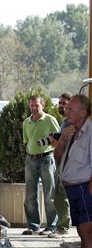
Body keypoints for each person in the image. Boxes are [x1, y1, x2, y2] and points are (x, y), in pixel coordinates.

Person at [54, 95, 92, 248]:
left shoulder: (90, 131)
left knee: (87, 232)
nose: (66, 112)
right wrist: (62, 141)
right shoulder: (71, 130)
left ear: (83, 113)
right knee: (82, 233)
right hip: (72, 188)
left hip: (84, 187)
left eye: (71, 109)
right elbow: (59, 158)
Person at [22, 95, 59, 235]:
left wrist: (47, 142)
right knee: (30, 195)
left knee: (50, 194)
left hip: (46, 159)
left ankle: (51, 226)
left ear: (42, 105)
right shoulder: (26, 122)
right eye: (31, 106)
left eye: (36, 105)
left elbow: (58, 138)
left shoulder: (50, 120)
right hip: (30, 159)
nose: (33, 108)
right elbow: (27, 141)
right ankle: (33, 226)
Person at [48, 92, 73, 238]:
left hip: (68, 164)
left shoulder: (72, 123)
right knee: (58, 195)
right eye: (60, 103)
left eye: (64, 103)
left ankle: (63, 227)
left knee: (61, 196)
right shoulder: (65, 121)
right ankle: (61, 226)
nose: (61, 106)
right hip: (61, 163)